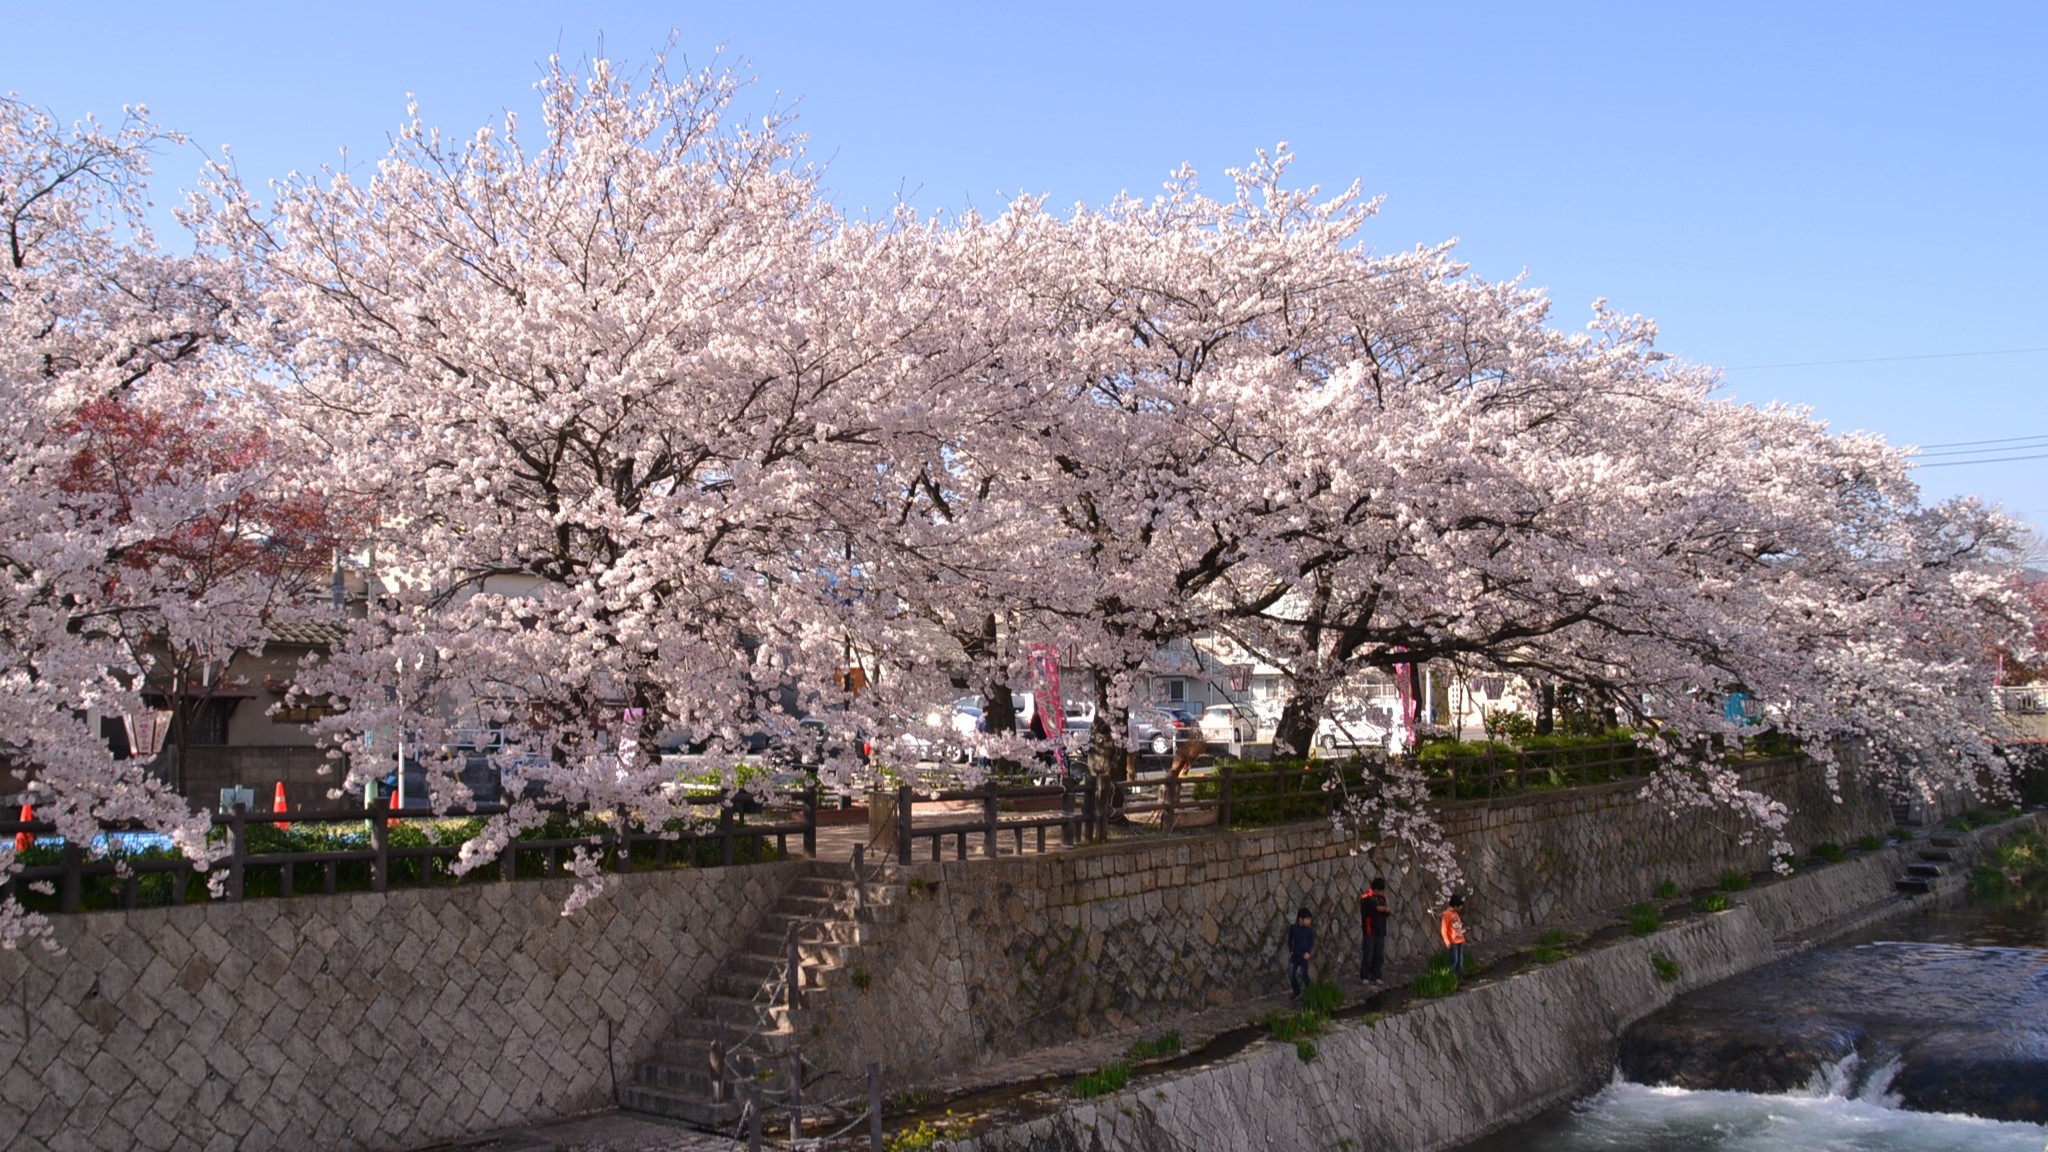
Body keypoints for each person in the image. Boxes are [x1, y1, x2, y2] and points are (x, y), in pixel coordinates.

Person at [1359, 876, 1390, 983]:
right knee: (1368, 954)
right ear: (1376, 889)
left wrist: (1386, 910)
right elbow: (1368, 910)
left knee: (1379, 955)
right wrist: (1379, 908)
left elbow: (1386, 912)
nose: (1382, 892)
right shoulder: (1366, 897)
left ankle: (1376, 976)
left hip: (1380, 931)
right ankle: (1365, 976)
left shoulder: (1382, 898)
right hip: (1370, 930)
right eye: (1381, 890)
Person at [1286, 907, 1316, 997]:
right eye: (1307, 920)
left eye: (1309, 920)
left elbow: (1311, 943)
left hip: (1303, 956)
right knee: (1291, 974)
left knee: (1304, 975)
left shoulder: (1309, 931)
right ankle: (1296, 990)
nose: (1309, 922)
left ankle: (1310, 991)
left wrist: (1308, 952)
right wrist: (1291, 950)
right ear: (1300, 919)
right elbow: (1290, 939)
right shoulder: (1293, 928)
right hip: (1295, 956)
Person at [1440, 893, 1468, 976]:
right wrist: (1447, 941)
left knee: (1460, 960)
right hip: (1453, 941)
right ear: (1455, 906)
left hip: (1459, 940)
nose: (1461, 908)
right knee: (1454, 960)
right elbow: (1443, 929)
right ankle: (1449, 976)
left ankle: (1459, 977)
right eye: (1460, 906)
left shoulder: (1455, 914)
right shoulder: (1447, 915)